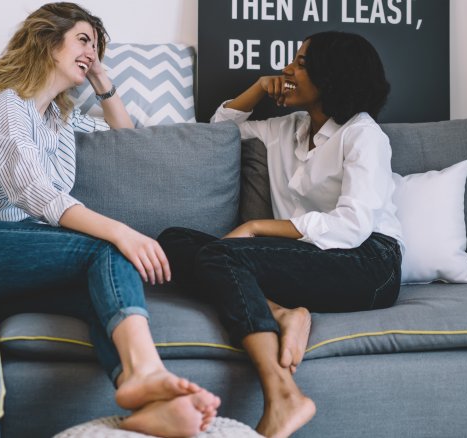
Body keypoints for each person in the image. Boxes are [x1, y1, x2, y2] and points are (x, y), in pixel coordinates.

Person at [0, 3, 219, 436]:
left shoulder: (60, 120)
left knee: (103, 294)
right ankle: (149, 376)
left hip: (17, 258)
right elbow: (33, 192)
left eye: (97, 47)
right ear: (48, 42)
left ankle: (147, 400)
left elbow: (127, 139)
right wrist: (122, 232)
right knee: (107, 249)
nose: (92, 52)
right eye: (83, 40)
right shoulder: (3, 105)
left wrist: (102, 82)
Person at [158, 31, 403, 438]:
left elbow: (353, 225)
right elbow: (218, 133)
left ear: (332, 77)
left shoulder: (363, 134)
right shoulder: (286, 128)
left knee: (222, 254)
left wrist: (255, 227)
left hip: (370, 264)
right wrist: (256, 89)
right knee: (172, 240)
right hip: (306, 258)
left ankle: (283, 396)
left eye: (301, 64)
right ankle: (282, 313)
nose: (286, 71)